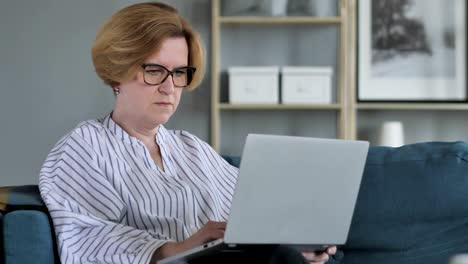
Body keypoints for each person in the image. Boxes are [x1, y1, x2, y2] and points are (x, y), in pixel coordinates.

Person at [39, 2, 337, 263]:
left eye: (179, 72)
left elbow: (255, 216)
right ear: (119, 70)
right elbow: (85, 238)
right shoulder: (85, 146)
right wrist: (176, 248)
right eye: (154, 70)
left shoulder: (192, 148)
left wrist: (299, 242)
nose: (169, 87)